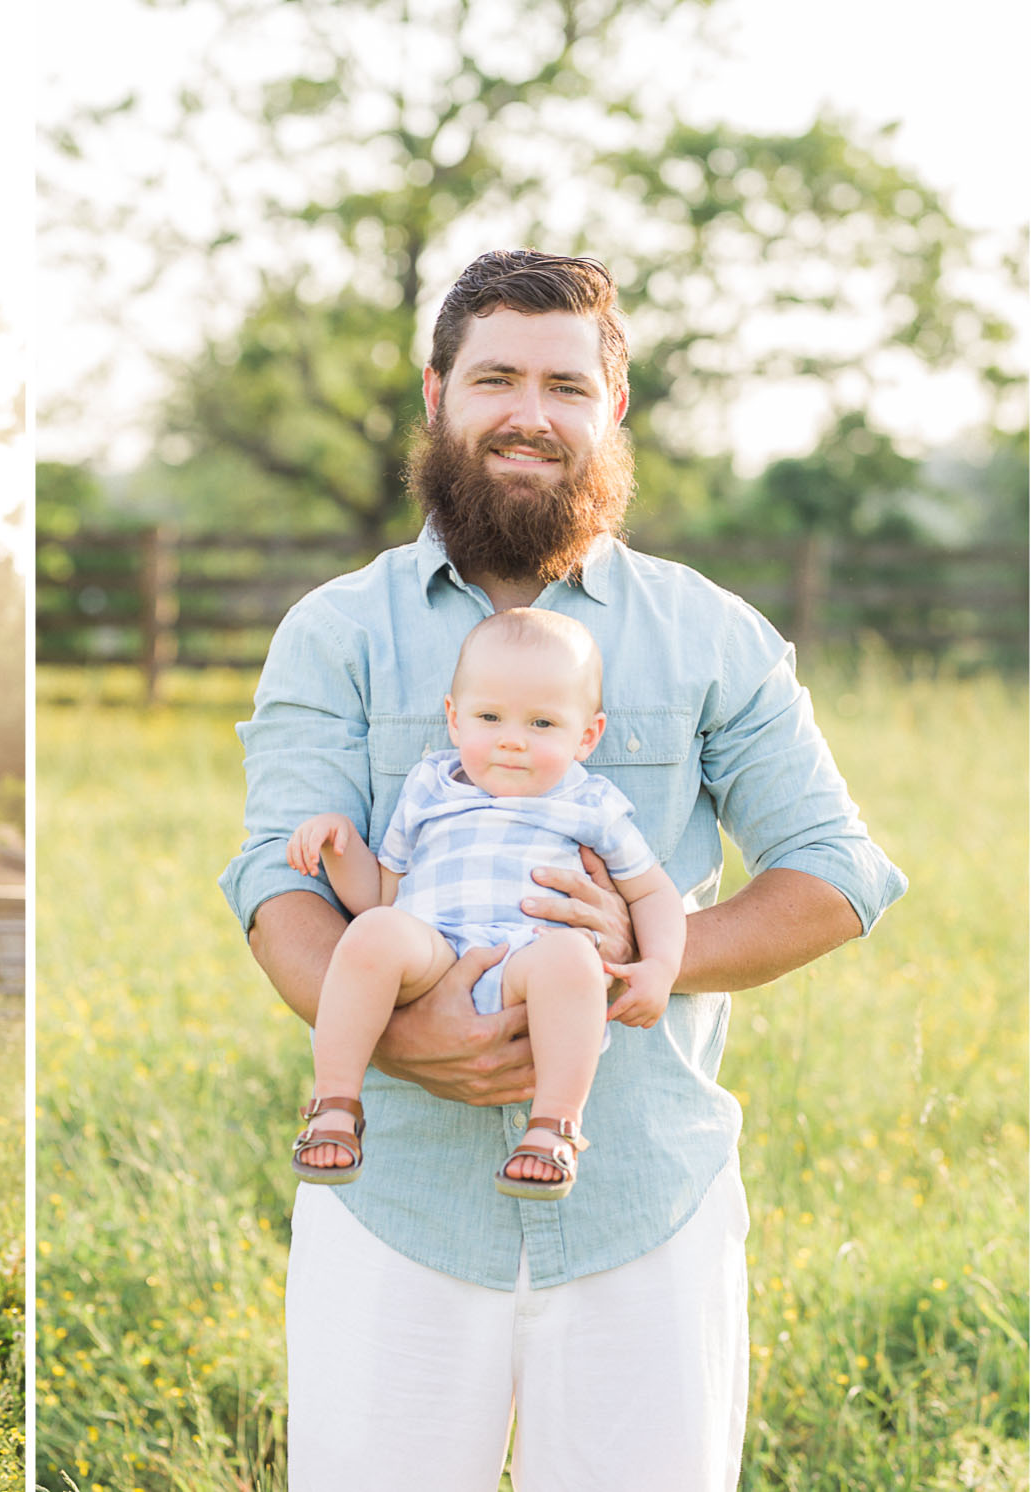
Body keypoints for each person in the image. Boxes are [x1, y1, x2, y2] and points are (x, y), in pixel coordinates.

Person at [219, 249, 906, 1491]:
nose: (529, 414)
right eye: (493, 378)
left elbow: (835, 873)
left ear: (611, 410)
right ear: (435, 394)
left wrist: (655, 954)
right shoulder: (334, 629)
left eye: (564, 385)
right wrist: (388, 1037)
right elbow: (278, 889)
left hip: (644, 1195)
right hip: (393, 1200)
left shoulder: (710, 633)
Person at [286, 608, 684, 1199]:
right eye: (489, 716)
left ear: (587, 736)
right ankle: (335, 1104)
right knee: (371, 934)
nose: (511, 739)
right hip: (435, 952)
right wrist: (338, 843)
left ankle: (554, 1127)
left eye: (543, 723)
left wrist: (660, 966)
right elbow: (382, 894)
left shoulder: (592, 802)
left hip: (528, 959)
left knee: (573, 959)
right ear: (454, 718)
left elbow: (652, 891)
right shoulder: (430, 785)